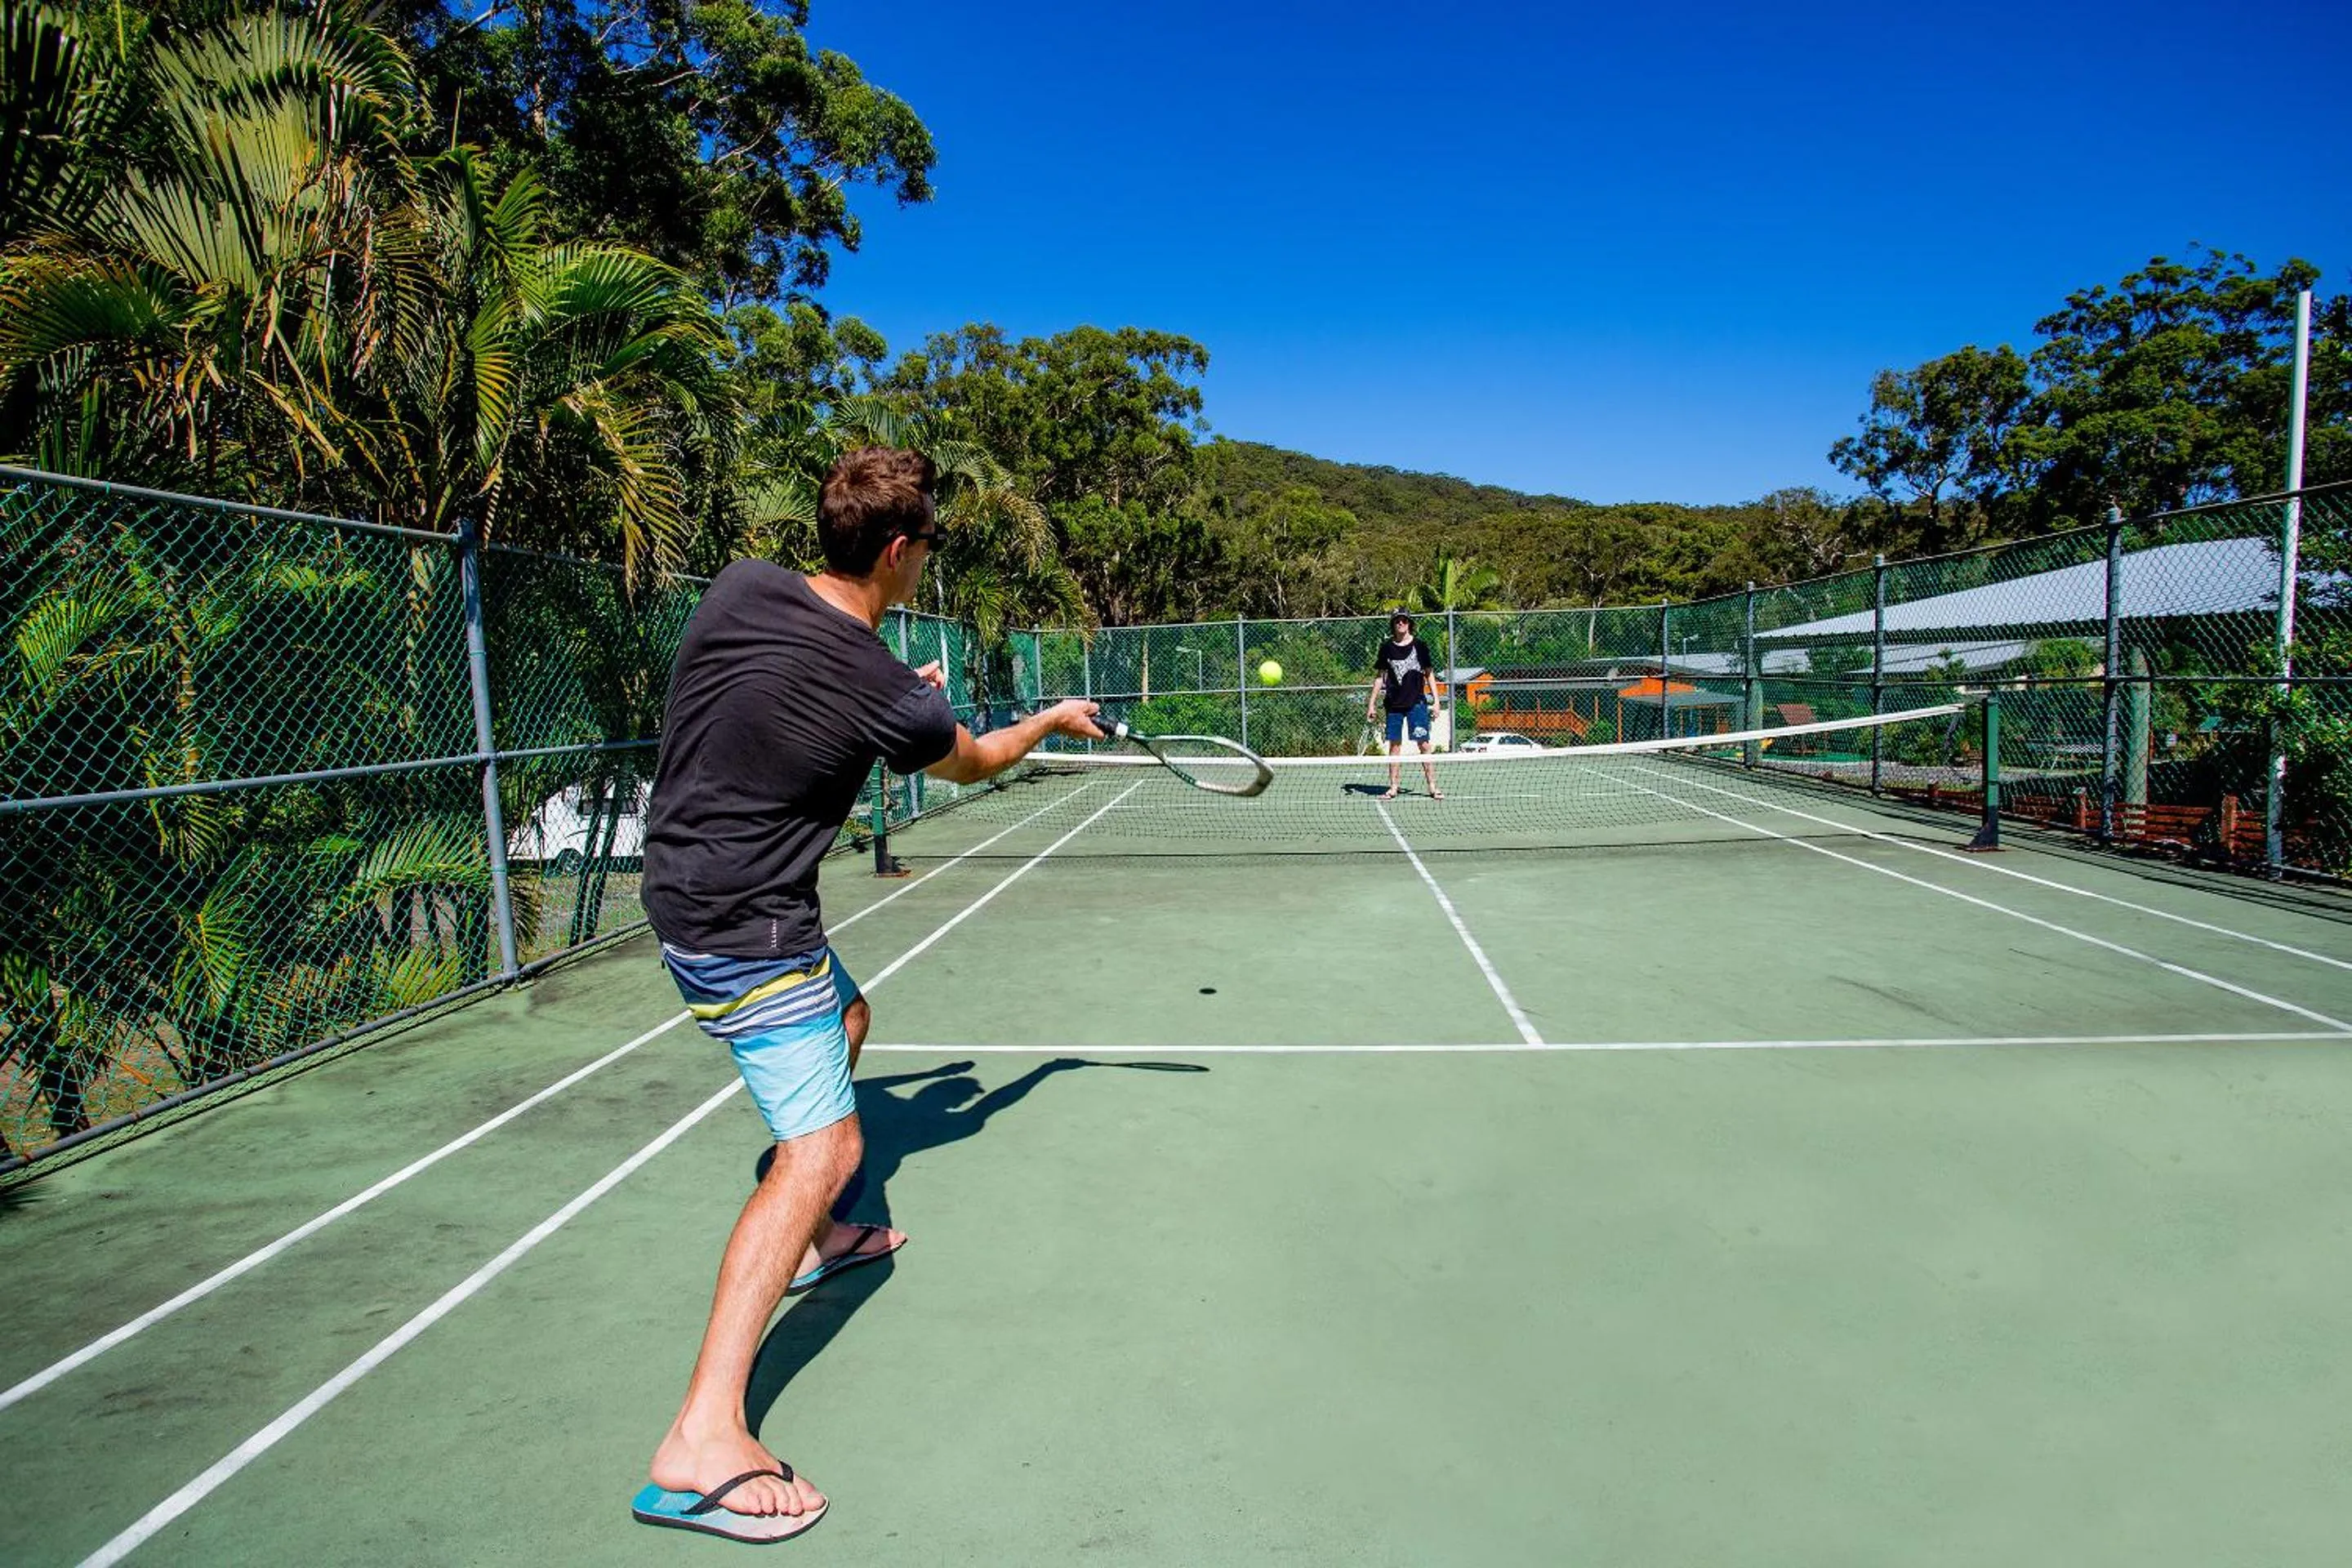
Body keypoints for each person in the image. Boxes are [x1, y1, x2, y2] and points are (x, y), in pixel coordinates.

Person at [630, 447, 1103, 1544]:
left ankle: (815, 1236)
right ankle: (702, 1439)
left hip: (684, 885)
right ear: (898, 551)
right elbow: (976, 762)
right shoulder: (880, 686)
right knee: (823, 1153)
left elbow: (788, 692)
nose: (928, 557)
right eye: (928, 542)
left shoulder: (745, 585)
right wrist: (1050, 720)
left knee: (851, 1018)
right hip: (751, 931)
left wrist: (894, 695)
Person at [1366, 611, 1444, 800]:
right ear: (1393, 625)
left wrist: (1436, 701)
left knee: (1424, 745)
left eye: (1404, 621)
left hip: (1416, 704)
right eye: (1397, 621)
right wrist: (1371, 705)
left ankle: (1433, 786)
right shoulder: (1386, 648)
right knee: (1394, 747)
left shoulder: (1420, 646)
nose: (1400, 624)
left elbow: (1429, 673)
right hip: (1393, 705)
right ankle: (1393, 787)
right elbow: (1379, 678)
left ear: (1409, 624)